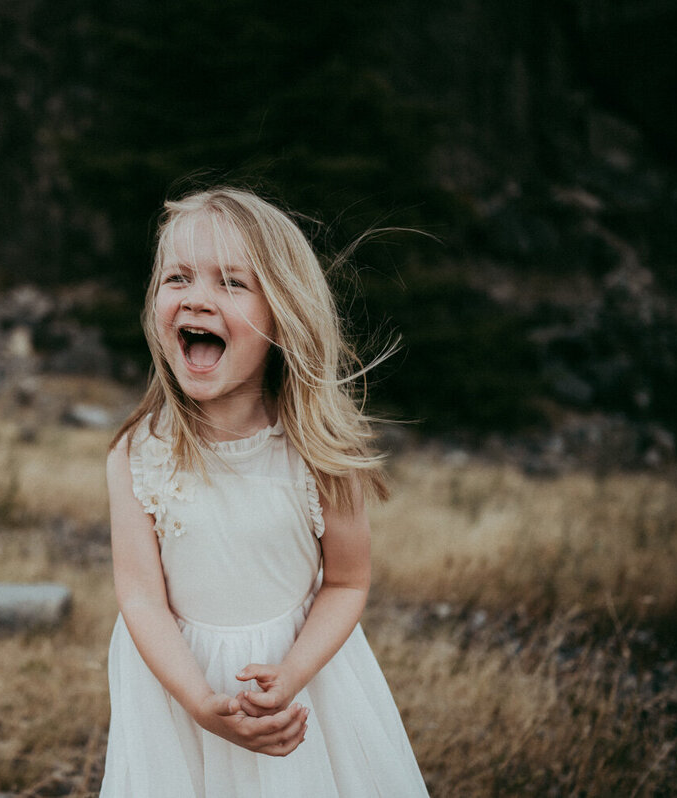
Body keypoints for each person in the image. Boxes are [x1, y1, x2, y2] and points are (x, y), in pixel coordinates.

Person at [99, 186, 429, 797]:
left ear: (282, 313)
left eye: (231, 282)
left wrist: (292, 674)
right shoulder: (137, 454)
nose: (198, 298)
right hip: (181, 696)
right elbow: (141, 600)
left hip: (302, 694)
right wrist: (200, 702)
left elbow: (347, 582)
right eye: (177, 277)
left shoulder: (320, 450)